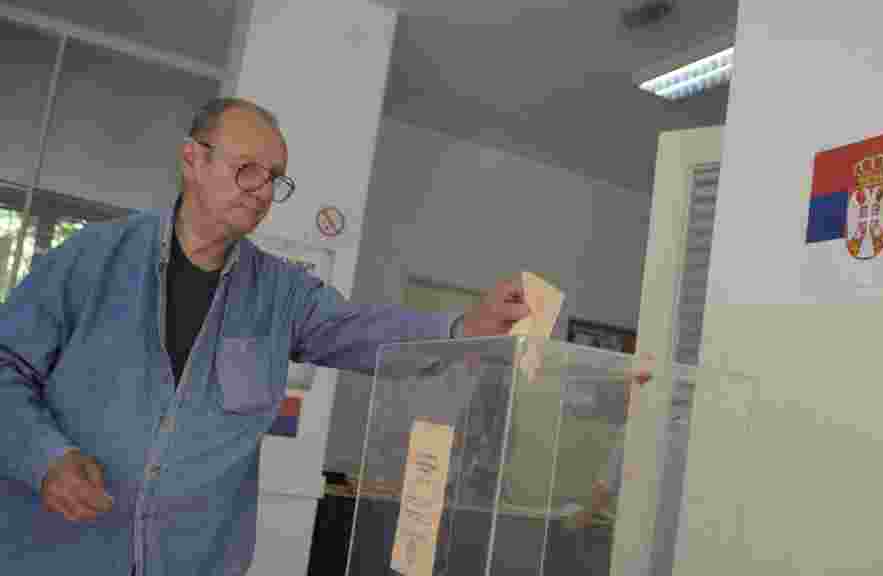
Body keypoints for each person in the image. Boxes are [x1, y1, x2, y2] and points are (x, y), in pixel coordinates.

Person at [0, 97, 532, 576]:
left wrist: (465, 328)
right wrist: (45, 457)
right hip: (58, 553)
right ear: (192, 161)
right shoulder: (91, 257)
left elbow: (361, 329)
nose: (261, 192)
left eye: (273, 178)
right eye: (245, 170)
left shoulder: (283, 293)